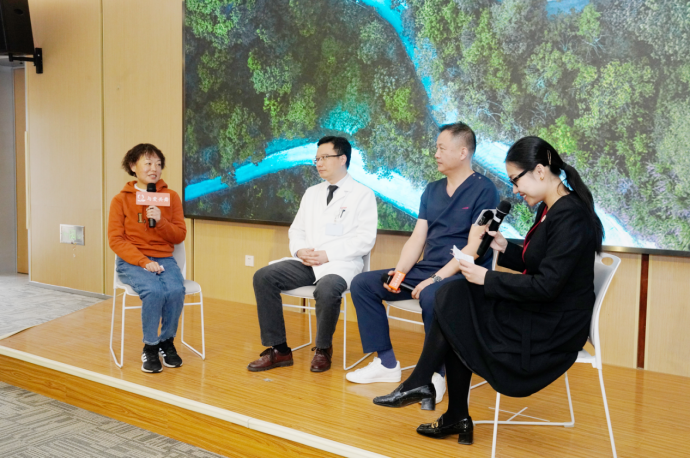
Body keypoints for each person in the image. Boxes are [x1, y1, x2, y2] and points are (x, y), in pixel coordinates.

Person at [372, 136, 605, 446]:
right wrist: (505, 247)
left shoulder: (570, 215)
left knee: (456, 303)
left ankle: (427, 387)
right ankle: (444, 403)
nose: (515, 190)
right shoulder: (551, 209)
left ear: (539, 171)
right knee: (453, 296)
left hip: (553, 327)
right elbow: (541, 263)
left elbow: (547, 285)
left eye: (515, 180)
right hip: (542, 309)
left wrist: (487, 278)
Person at [346, 122, 499, 404]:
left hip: (464, 274)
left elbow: (474, 248)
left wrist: (436, 279)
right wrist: (400, 271)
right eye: (436, 148)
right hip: (428, 271)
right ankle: (386, 363)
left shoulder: (485, 190)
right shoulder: (431, 190)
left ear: (463, 152)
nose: (435, 154)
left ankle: (435, 374)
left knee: (433, 296)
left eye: (442, 148)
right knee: (363, 284)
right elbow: (418, 238)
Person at [247, 136, 377, 373]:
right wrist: (299, 250)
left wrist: (328, 254)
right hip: (308, 262)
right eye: (317, 158)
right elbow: (296, 230)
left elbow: (366, 239)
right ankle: (279, 349)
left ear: (342, 159)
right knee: (263, 277)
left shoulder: (362, 194)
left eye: (325, 157)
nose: (319, 163)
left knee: (326, 289)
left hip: (341, 264)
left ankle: (323, 349)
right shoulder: (311, 193)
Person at [108, 143, 187, 373]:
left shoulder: (170, 197)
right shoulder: (120, 200)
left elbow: (179, 235)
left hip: (164, 258)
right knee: (154, 291)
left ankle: (166, 341)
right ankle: (150, 346)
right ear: (133, 166)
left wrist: (161, 221)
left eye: (158, 164)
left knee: (175, 290)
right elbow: (116, 240)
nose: (154, 168)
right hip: (132, 261)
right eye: (148, 163)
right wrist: (143, 261)